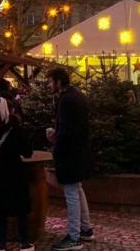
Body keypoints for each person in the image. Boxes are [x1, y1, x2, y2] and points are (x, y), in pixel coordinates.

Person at [0, 79, 34, 251]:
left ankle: (1, 243)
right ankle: (24, 242)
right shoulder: (17, 130)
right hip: (15, 172)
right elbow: (27, 153)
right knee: (20, 209)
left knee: (0, 210)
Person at [46, 68, 94, 251]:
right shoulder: (77, 96)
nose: (49, 85)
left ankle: (74, 237)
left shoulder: (66, 100)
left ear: (58, 81)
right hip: (79, 151)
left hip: (70, 154)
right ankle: (86, 229)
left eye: (51, 82)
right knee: (77, 190)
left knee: (72, 194)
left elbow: (67, 131)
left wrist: (54, 138)